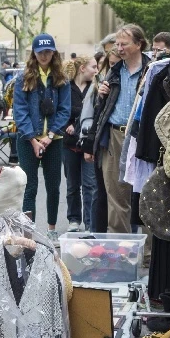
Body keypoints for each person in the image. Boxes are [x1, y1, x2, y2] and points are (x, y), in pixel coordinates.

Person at [11, 33, 71, 241]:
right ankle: (29, 232)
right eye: (40, 52)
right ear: (34, 54)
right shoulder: (23, 77)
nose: (44, 55)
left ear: (53, 53)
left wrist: (50, 136)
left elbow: (65, 110)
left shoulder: (61, 78)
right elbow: (20, 111)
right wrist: (33, 139)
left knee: (53, 185)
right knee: (29, 186)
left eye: (48, 51)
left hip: (53, 141)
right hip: (28, 140)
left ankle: (52, 229)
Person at [92, 24, 150, 234]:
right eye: (117, 44)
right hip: (115, 135)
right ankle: (121, 252)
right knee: (116, 195)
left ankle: (150, 255)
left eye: (123, 43)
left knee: (146, 194)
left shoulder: (152, 70)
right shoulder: (114, 71)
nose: (118, 48)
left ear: (139, 44)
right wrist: (101, 94)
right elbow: (101, 110)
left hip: (142, 137)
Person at [61, 56, 98, 232]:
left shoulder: (96, 88)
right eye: (93, 67)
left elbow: (95, 113)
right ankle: (74, 219)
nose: (96, 70)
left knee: (90, 184)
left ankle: (90, 221)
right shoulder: (66, 88)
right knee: (72, 184)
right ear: (82, 68)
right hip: (69, 144)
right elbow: (59, 112)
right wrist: (65, 125)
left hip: (88, 142)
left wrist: (75, 125)